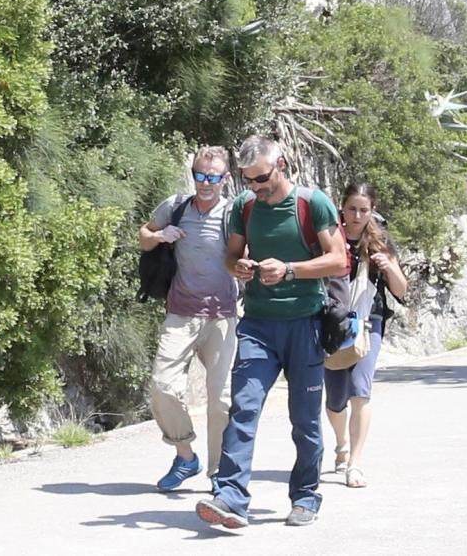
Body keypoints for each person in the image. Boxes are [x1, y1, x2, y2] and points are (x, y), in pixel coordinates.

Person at [195, 136, 348, 531]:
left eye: (262, 177)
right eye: (248, 180)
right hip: (258, 324)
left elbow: (338, 259)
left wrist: (292, 270)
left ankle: (305, 496)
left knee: (305, 421)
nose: (256, 187)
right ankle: (229, 497)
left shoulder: (312, 204)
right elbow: (230, 256)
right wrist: (239, 267)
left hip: (305, 323)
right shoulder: (244, 207)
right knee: (243, 408)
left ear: (281, 165)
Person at [138, 146, 241, 492]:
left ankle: (218, 476)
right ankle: (185, 456)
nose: (206, 183)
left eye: (214, 177)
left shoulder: (236, 213)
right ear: (193, 175)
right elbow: (144, 236)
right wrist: (159, 236)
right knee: (162, 386)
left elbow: (251, 251)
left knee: (221, 400)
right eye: (201, 176)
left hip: (223, 316)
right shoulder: (175, 206)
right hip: (181, 312)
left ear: (225, 179)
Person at [325, 181, 408, 489]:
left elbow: (401, 290)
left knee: (361, 391)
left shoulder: (380, 242)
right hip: (332, 323)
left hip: (369, 321)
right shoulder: (328, 238)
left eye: (364, 210)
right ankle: (341, 443)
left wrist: (388, 267)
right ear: (342, 208)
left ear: (372, 211)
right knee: (335, 400)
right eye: (352, 209)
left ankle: (355, 464)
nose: (357, 216)